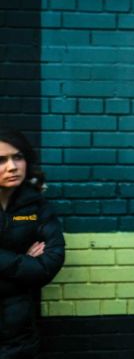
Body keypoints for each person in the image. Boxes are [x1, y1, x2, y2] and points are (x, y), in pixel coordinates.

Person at [0, 129, 65, 359]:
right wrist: (25, 262)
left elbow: (49, 264)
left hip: (20, 337)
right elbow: (32, 269)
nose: (12, 167)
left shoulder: (37, 207)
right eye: (1, 160)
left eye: (18, 157)